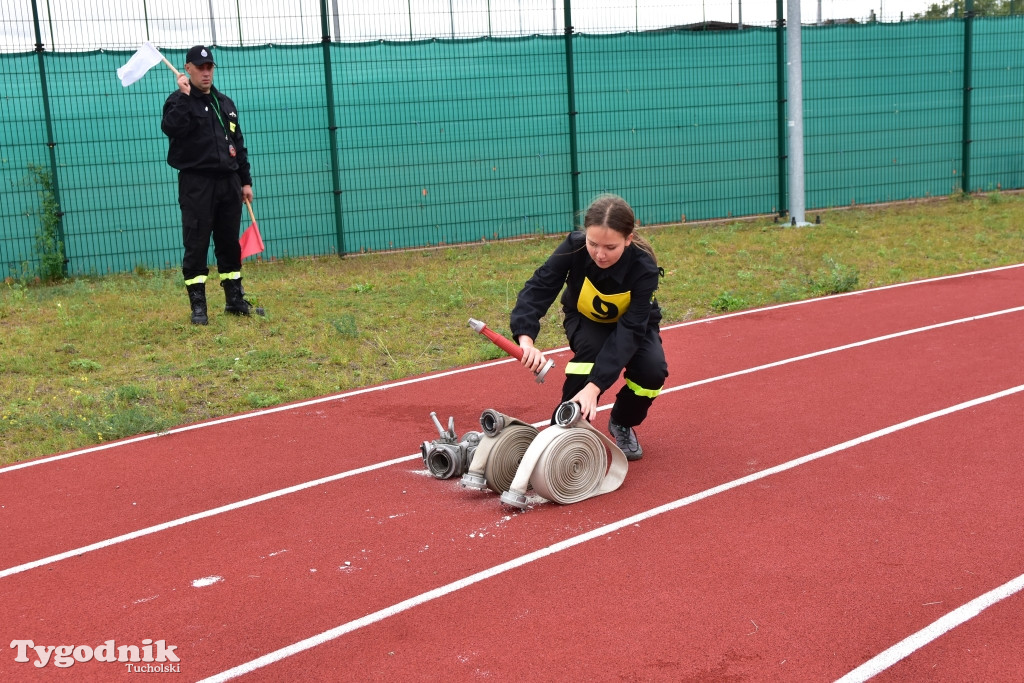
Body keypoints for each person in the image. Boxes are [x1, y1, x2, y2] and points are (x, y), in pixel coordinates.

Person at [510, 194, 668, 460]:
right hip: (585, 319)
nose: (599, 254)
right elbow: (540, 287)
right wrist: (525, 339)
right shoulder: (573, 247)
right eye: (593, 243)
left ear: (628, 239)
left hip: (634, 326)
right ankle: (562, 432)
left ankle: (621, 421)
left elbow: (629, 332)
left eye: (610, 247)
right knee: (590, 356)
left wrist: (595, 387)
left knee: (652, 373)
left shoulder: (644, 269)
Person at [161, 45, 260, 325]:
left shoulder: (225, 104)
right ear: (188, 69)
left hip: (228, 183)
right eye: (200, 68)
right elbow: (171, 128)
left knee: (229, 242)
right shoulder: (178, 101)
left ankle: (234, 299)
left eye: (209, 68)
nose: (205, 73)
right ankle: (198, 306)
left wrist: (245, 181)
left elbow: (237, 145)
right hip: (197, 184)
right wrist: (183, 96)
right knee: (197, 242)